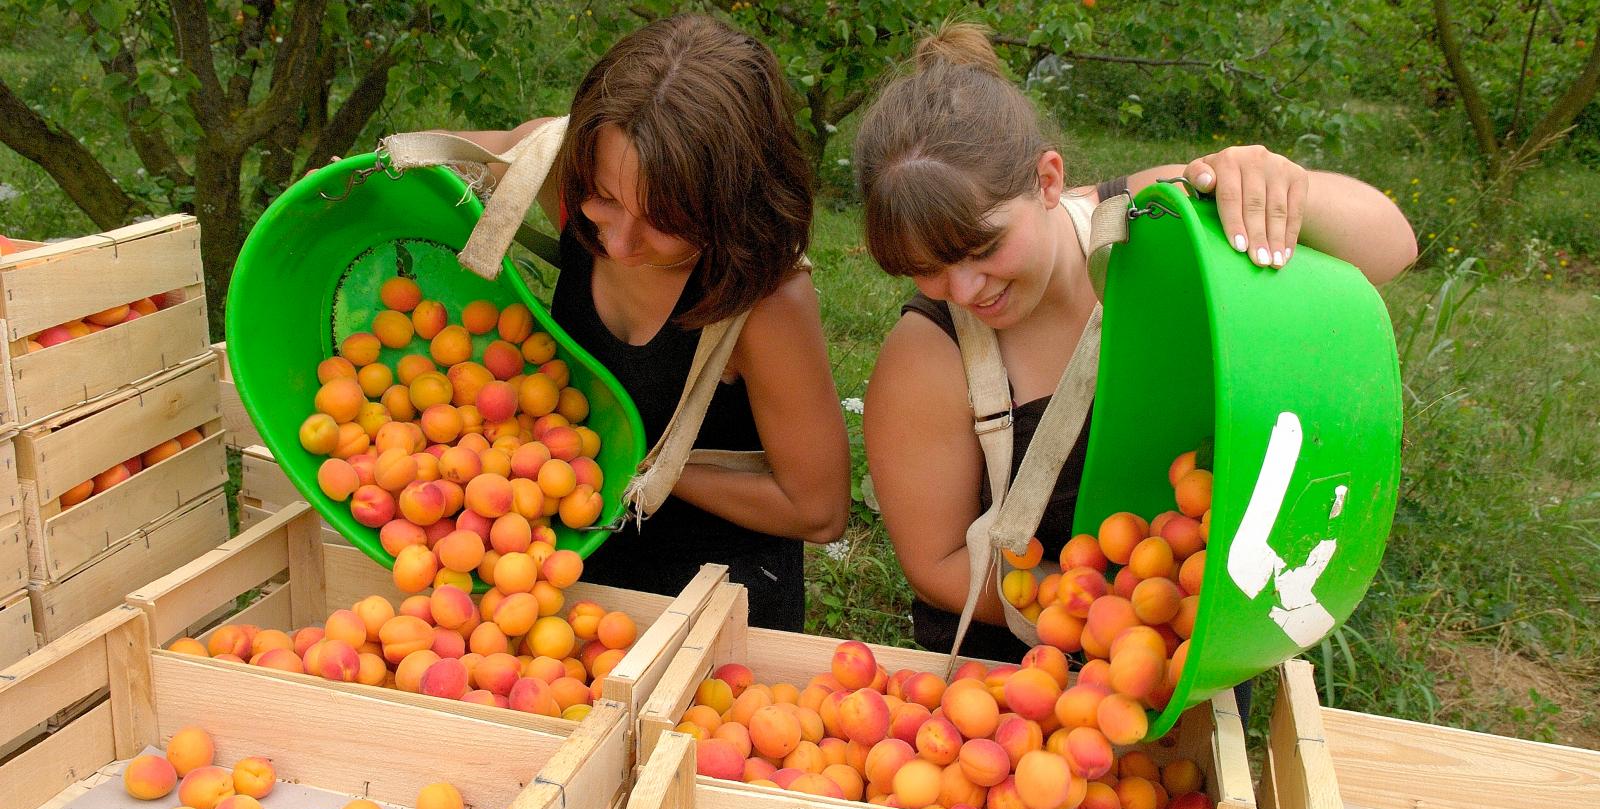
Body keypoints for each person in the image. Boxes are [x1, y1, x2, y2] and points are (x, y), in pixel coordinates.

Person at [856, 24, 1418, 662]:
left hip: (1193, 647)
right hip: (1022, 679)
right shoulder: (928, 355)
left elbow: (1392, 247)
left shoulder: (1158, 226)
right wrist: (1106, 622)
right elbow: (937, 561)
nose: (962, 288)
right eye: (926, 266)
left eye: (983, 248)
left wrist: (1276, 190)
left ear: (1047, 181)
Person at [449, 14, 849, 631]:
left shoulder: (764, 303)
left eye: (665, 217)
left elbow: (818, 509)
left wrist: (635, 467)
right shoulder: (566, 167)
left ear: (730, 205)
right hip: (559, 574)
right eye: (604, 198)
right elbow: (427, 164)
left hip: (709, 598)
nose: (620, 242)